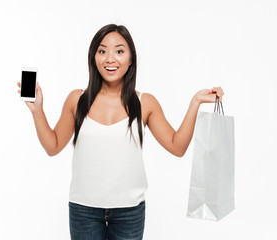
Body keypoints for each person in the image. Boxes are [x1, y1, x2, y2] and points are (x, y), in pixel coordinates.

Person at [17, 24, 224, 240]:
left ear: (131, 58)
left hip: (129, 211)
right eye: (102, 51)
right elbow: (53, 146)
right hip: (84, 209)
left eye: (119, 51)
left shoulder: (145, 102)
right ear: (93, 57)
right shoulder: (77, 100)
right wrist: (37, 111)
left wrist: (196, 101)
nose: (110, 59)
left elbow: (177, 146)